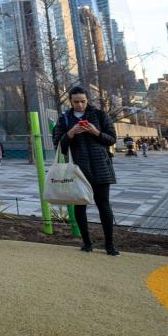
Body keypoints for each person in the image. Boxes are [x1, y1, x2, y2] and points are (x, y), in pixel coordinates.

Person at [52, 86, 119, 256]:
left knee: (103, 205)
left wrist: (95, 132)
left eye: (83, 101)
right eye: (76, 102)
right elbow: (58, 145)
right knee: (80, 207)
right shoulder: (65, 118)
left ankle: (109, 245)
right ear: (70, 102)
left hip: (101, 168)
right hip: (78, 170)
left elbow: (111, 139)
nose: (80, 105)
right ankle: (87, 243)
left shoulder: (99, 115)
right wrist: (71, 133)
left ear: (88, 100)